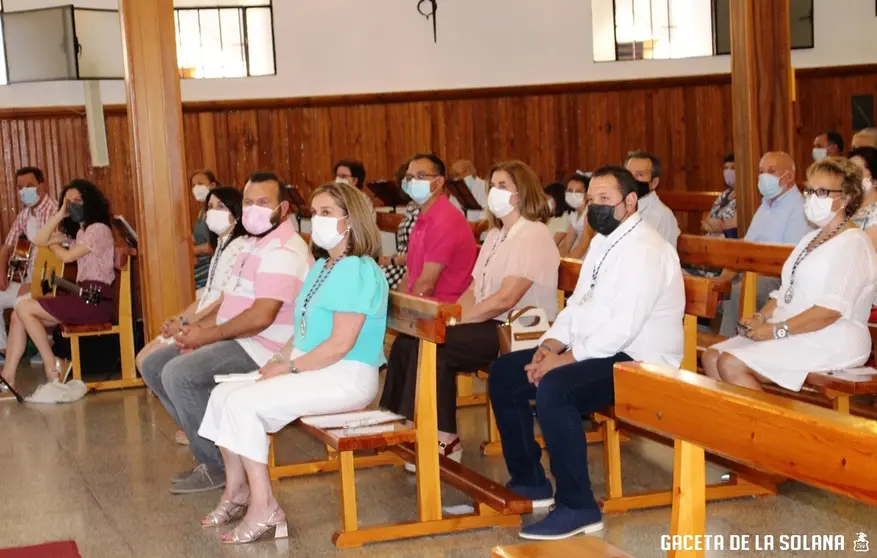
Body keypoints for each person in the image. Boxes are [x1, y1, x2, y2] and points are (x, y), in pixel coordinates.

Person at [488, 165, 684, 540]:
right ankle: (530, 481)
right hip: (601, 352)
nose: (595, 207)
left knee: (557, 388)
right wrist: (548, 347)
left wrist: (564, 361)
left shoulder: (645, 249)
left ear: (630, 201)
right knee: (506, 373)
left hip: (641, 361)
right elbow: (579, 305)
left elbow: (622, 328)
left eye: (604, 200)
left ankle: (578, 506)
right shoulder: (603, 241)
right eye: (592, 200)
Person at [198, 181, 387, 544]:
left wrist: (288, 369)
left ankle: (264, 505)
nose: (318, 220)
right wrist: (277, 360)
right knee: (223, 394)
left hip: (344, 375)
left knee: (243, 403)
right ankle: (237, 490)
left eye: (327, 213)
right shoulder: (323, 266)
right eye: (315, 213)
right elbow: (301, 332)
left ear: (352, 220)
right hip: (313, 366)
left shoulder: (358, 269)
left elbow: (339, 344)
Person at [139, 172, 310, 494]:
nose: (254, 209)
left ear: (283, 208)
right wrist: (194, 330)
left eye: (264, 203)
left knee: (179, 374)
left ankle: (218, 466)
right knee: (153, 365)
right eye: (248, 202)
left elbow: (261, 317)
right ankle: (212, 452)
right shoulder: (254, 243)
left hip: (267, 347)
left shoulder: (285, 249)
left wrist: (206, 338)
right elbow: (229, 303)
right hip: (241, 337)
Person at [382, 160, 559, 462]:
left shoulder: (533, 233)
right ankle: (409, 424)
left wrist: (456, 322)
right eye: (493, 186)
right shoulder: (495, 235)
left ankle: (445, 438)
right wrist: (448, 316)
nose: (495, 192)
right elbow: (474, 289)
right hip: (489, 323)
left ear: (521, 193)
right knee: (409, 341)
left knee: (439, 347)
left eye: (503, 186)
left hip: (519, 330)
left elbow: (506, 298)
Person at [704, 158, 877, 392]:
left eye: (823, 192)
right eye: (810, 190)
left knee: (731, 363)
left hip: (830, 337)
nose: (813, 198)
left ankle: (767, 429)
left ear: (845, 198)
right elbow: (786, 291)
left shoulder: (853, 243)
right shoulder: (811, 238)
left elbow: (829, 312)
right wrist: (761, 318)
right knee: (712, 356)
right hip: (793, 328)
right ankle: (740, 427)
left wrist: (776, 330)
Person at [136, 187, 248, 444]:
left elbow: (224, 302)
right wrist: (178, 319)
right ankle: (191, 423)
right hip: (204, 317)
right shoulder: (222, 244)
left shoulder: (239, 246)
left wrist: (188, 324)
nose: (213, 212)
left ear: (236, 212)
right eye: (210, 207)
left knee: (150, 361)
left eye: (221, 207)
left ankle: (197, 427)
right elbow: (207, 295)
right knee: (145, 359)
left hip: (219, 324)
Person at [0, 180, 115, 393]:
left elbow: (67, 255)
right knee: (18, 314)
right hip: (83, 297)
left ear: (89, 201)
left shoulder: (98, 229)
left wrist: (53, 243)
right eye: (67, 202)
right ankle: (8, 376)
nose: (72, 206)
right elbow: (39, 238)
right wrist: (61, 214)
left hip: (96, 301)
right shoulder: (80, 232)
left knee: (23, 308)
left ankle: (51, 365)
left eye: (77, 201)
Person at [717, 151, 815, 336]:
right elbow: (747, 246)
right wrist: (725, 275)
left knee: (739, 290)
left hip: (777, 278)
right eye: (761, 171)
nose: (764, 176)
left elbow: (789, 259)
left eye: (772, 171)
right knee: (722, 283)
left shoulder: (799, 208)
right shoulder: (766, 205)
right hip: (752, 270)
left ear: (789, 176)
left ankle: (728, 345)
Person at [398, 153, 477, 302]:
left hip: (444, 312)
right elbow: (409, 275)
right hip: (425, 306)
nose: (413, 182)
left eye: (421, 176)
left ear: (439, 181)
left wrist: (403, 314)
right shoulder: (423, 217)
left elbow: (426, 286)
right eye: (409, 177)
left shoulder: (444, 219)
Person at [0, 167, 58, 358]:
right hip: (23, 281)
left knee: (21, 307)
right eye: (20, 187)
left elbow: (57, 258)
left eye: (30, 186)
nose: (25, 191)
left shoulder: (55, 213)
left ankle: (47, 345)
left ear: (42, 186)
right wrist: (2, 275)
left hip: (47, 285)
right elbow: (6, 247)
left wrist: (34, 285)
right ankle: (5, 350)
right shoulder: (24, 216)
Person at [624, 150, 680, 248]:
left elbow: (663, 258)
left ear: (654, 183)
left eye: (640, 175)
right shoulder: (618, 206)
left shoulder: (663, 216)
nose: (631, 180)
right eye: (628, 174)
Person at [379, 160, 420, 290]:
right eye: (407, 178)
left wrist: (389, 261)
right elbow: (403, 247)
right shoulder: (412, 205)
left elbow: (419, 254)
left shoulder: (423, 209)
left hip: (406, 269)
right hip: (398, 264)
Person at [191, 170, 220, 293]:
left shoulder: (219, 209)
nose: (196, 188)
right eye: (193, 185)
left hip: (211, 268)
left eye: (200, 183)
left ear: (212, 185)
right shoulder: (202, 210)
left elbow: (217, 244)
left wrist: (194, 250)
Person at [701, 153, 738, 239]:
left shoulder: (745, 197)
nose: (728, 171)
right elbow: (706, 221)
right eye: (726, 168)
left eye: (733, 168)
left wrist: (719, 226)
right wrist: (714, 226)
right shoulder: (724, 194)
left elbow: (734, 226)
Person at [849, 147, 877, 251]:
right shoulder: (850, 208)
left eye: (856, 172)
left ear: (874, 178)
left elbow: (865, 252)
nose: (849, 177)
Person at [557, 172, 591, 258]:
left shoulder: (590, 213)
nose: (573, 194)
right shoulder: (574, 215)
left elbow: (583, 246)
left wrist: (566, 265)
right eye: (570, 191)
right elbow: (566, 245)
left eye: (578, 191)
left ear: (587, 194)